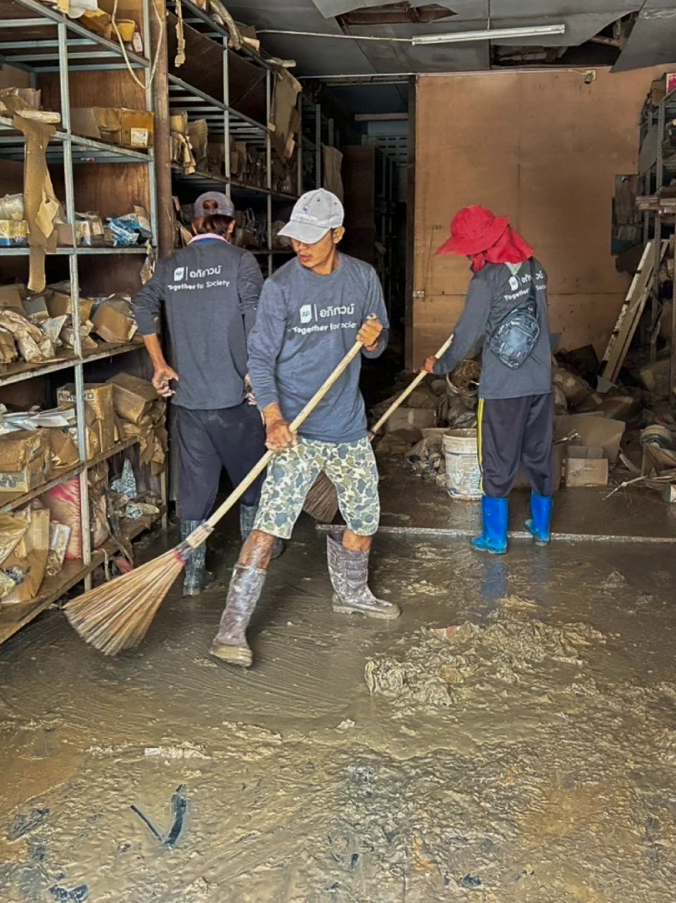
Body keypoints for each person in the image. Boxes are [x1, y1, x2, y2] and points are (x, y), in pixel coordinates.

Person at [210, 189, 400, 669]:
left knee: (364, 518)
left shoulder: (362, 278)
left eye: (312, 238)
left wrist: (374, 341)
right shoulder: (281, 287)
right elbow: (259, 359)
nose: (301, 246)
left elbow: (377, 346)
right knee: (270, 525)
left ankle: (352, 594)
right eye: (296, 237)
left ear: (337, 234)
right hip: (294, 427)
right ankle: (231, 627)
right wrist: (273, 417)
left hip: (346, 424)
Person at [133, 192, 271, 596]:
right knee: (251, 481)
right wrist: (255, 375)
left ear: (192, 225)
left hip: (189, 399)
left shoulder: (171, 265)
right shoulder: (242, 262)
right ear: (233, 226)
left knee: (195, 489)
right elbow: (254, 316)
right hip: (235, 397)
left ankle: (193, 576)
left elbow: (141, 306)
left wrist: (160, 364)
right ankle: (250, 567)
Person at [424, 205, 554, 554]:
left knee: (496, 457)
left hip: (502, 389)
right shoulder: (536, 268)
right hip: (540, 383)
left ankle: (495, 537)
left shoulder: (485, 281)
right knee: (539, 453)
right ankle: (541, 528)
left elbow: (466, 333)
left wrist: (440, 365)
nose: (468, 256)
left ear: (485, 247)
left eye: (470, 250)